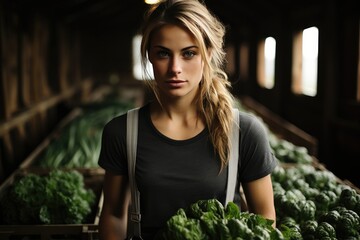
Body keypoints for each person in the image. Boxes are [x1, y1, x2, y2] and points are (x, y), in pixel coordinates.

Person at [98, 0, 278, 239]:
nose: (175, 68)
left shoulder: (243, 131)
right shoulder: (122, 132)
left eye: (189, 53)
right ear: (149, 55)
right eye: (163, 53)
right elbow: (113, 215)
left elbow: (265, 221)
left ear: (208, 54)